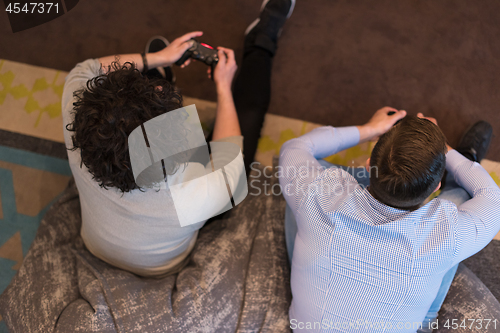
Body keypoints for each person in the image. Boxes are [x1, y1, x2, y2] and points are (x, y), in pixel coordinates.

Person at [62, 0, 295, 277]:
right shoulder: (199, 196)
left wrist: (157, 58)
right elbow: (229, 151)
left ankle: (161, 70)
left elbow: (87, 69)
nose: (161, 89)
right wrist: (223, 87)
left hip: (99, 247)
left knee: (134, 106)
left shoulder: (75, 113)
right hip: (165, 267)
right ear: (175, 149)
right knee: (248, 116)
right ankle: (261, 42)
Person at [279, 106, 499, 333]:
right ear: (436, 188)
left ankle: (391, 179)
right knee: (462, 196)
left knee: (307, 185)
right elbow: (492, 198)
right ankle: (467, 158)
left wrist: (369, 129)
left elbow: (296, 147)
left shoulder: (318, 194)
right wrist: (445, 149)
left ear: (367, 166)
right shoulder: (445, 233)